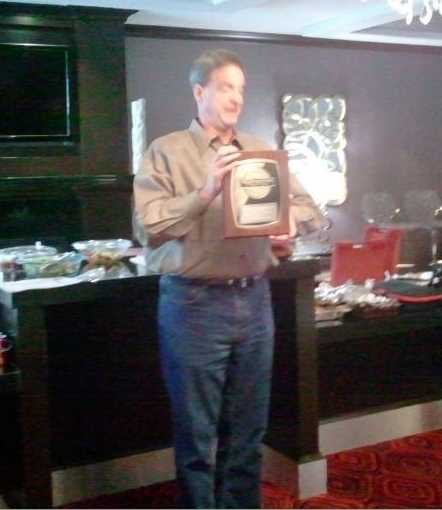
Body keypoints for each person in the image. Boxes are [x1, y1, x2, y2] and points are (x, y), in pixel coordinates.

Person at [132, 48, 322, 509]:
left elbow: (311, 210)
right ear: (200, 92)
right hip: (192, 305)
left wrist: (290, 222)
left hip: (254, 300)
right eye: (225, 87)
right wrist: (205, 192)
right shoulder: (167, 151)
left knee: (249, 431)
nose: (236, 97)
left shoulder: (260, 153)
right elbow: (148, 227)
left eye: (240, 88)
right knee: (197, 435)